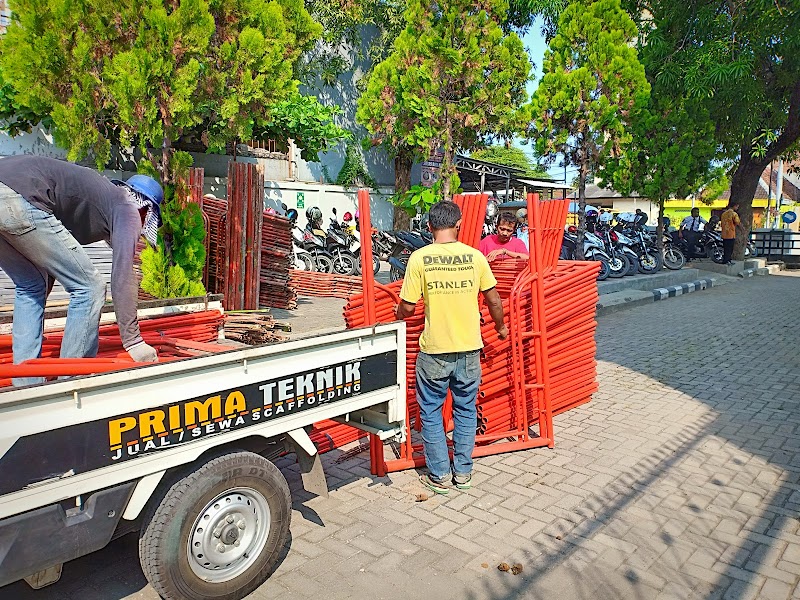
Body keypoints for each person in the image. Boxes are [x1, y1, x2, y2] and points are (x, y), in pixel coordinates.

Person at [0, 156, 163, 386]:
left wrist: (33, 322)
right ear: (147, 210)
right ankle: (71, 380)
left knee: (31, 286)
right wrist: (133, 341)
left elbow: (48, 268)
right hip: (21, 195)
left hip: (10, 189)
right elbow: (123, 274)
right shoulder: (128, 208)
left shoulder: (97, 201)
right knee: (90, 288)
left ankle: (26, 385)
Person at [395, 201, 507, 494]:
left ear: (429, 226)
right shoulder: (475, 257)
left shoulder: (420, 259)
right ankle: (464, 474)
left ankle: (440, 476)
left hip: (434, 350)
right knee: (466, 410)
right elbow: (494, 300)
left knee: (431, 412)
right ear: (458, 224)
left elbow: (407, 307)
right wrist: (501, 327)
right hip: (470, 347)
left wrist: (397, 318)